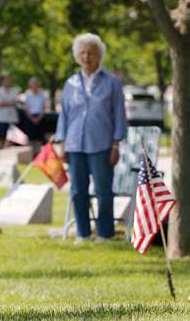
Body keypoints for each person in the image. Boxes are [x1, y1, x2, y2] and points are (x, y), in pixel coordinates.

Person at [54, 33, 126, 244]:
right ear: (77, 55)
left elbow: (119, 115)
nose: (87, 57)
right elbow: (64, 115)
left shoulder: (112, 82)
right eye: (83, 52)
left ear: (99, 56)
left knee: (104, 191)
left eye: (91, 53)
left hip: (102, 144)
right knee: (77, 191)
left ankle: (104, 233)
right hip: (75, 144)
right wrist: (62, 142)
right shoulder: (71, 83)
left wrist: (116, 143)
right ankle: (83, 233)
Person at [22, 77, 50, 151]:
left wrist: (39, 118)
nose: (34, 86)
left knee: (39, 138)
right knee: (30, 137)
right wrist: (31, 118)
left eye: (36, 84)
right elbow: (26, 108)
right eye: (33, 84)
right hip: (30, 118)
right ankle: (31, 154)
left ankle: (38, 154)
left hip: (40, 117)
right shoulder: (27, 94)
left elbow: (44, 107)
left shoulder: (43, 95)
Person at [0, 74, 19, 147]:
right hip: (0, 119)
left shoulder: (14, 91)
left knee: (11, 138)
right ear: (2, 81)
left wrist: (5, 102)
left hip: (12, 119)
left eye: (9, 79)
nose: (8, 81)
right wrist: (10, 102)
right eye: (6, 80)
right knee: (0, 138)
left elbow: (16, 102)